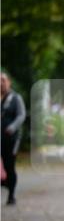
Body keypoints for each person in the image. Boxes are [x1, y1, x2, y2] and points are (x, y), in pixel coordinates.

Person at [1, 72, 26, 205]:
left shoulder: (16, 98)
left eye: (3, 80)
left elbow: (21, 115)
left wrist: (12, 127)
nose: (1, 83)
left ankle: (11, 194)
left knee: (9, 166)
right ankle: (4, 183)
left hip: (10, 139)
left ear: (9, 82)